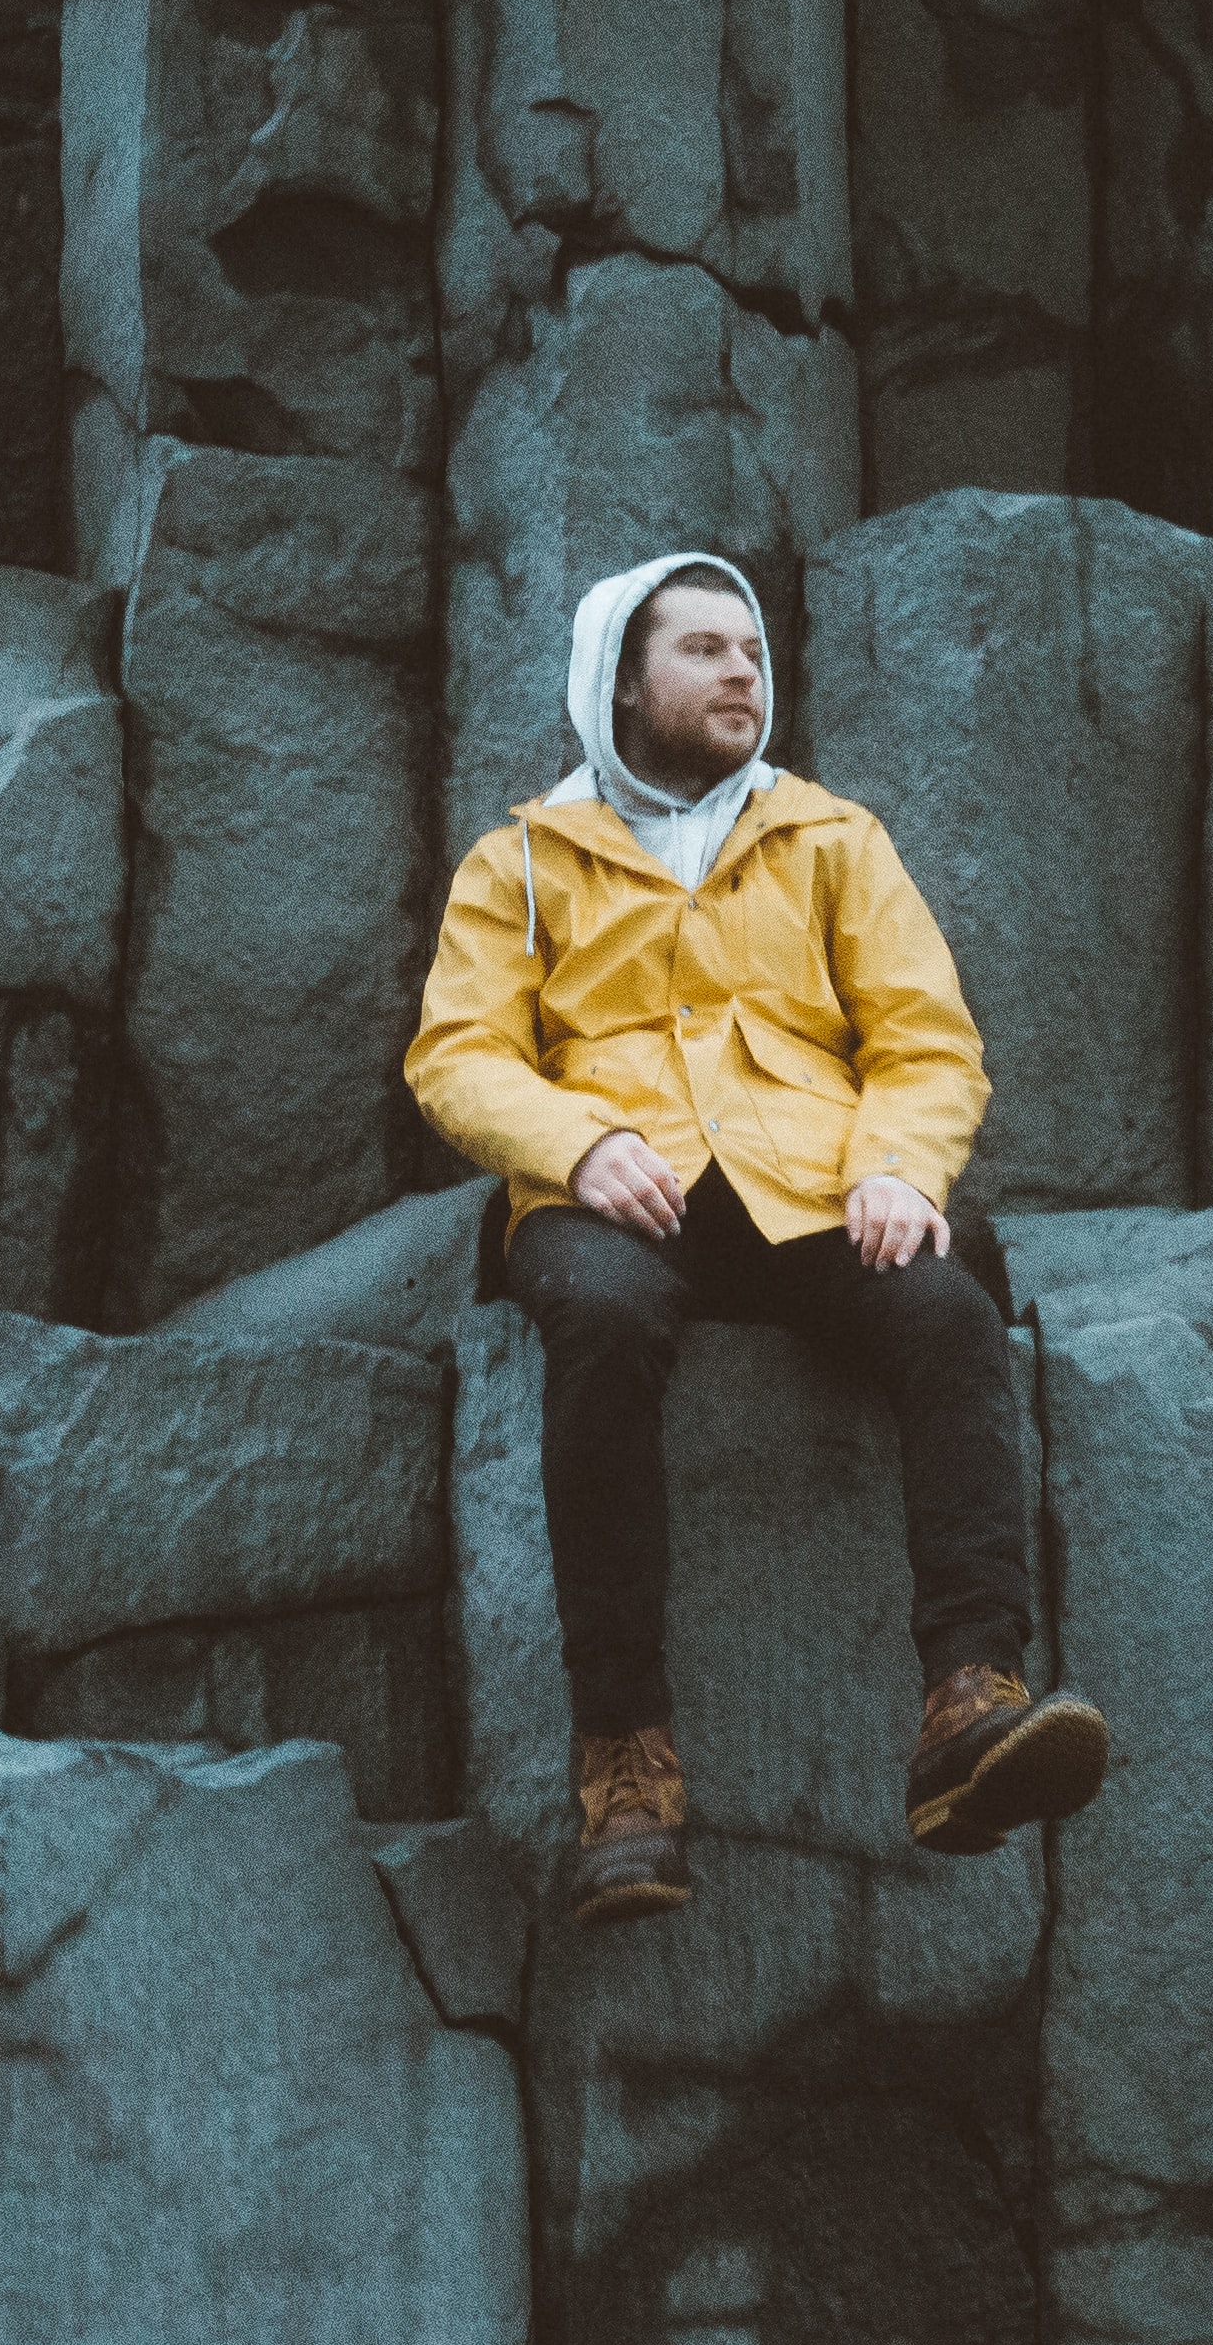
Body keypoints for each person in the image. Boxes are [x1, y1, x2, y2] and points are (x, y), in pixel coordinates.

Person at [403, 549, 1114, 1924]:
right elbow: (457, 1056)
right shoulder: (524, 863)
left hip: (813, 1187)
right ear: (622, 681)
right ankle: (628, 1765)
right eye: (705, 650)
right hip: (620, 1195)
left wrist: (904, 1169)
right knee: (601, 1321)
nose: (744, 671)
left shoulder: (832, 839)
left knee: (946, 1307)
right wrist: (576, 1147)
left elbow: (924, 1040)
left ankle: (971, 1708)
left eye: (753, 653)